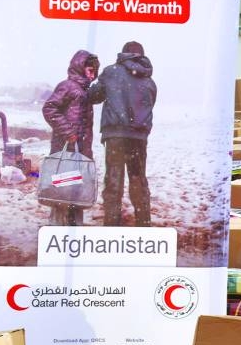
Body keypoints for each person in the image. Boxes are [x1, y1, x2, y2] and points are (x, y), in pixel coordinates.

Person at [89, 41, 157, 227]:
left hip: (115, 136)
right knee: (138, 179)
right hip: (138, 138)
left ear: (123, 54)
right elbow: (148, 106)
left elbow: (94, 96)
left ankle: (112, 224)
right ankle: (143, 223)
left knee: (114, 179)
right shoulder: (149, 81)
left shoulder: (111, 72)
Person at [42, 50, 99, 226]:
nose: (92, 75)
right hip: (65, 147)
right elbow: (49, 109)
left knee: (76, 190)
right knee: (62, 189)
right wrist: (68, 132)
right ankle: (57, 227)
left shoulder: (84, 91)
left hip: (80, 150)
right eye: (90, 70)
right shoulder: (67, 86)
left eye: (94, 72)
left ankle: (74, 228)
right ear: (80, 67)